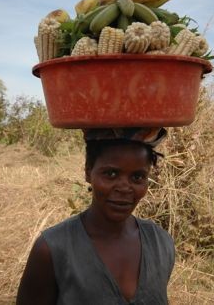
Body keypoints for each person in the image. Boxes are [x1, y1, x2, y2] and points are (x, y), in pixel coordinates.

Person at [16, 128, 174, 305]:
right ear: (88, 172)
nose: (124, 188)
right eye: (111, 174)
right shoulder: (52, 249)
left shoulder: (160, 243)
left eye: (137, 177)